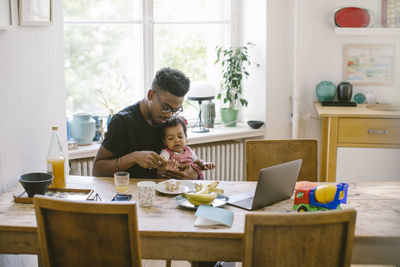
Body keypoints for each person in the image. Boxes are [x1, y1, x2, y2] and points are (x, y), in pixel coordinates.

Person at [92, 67, 198, 180]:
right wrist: (134, 157)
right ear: (150, 95)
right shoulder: (123, 122)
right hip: (132, 193)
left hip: (168, 192)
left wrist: (193, 174)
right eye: (165, 108)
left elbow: (189, 164)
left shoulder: (169, 122)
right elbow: (97, 170)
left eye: (175, 110)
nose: (169, 115)